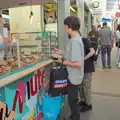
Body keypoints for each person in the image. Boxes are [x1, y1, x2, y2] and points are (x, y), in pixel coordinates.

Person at [54, 16, 84, 120]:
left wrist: (63, 61)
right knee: (72, 99)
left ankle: (75, 118)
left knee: (72, 100)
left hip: (73, 76)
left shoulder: (75, 41)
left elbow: (78, 63)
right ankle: (73, 116)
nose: (64, 28)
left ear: (69, 26)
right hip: (74, 75)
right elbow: (73, 54)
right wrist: (62, 52)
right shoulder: (75, 38)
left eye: (65, 26)